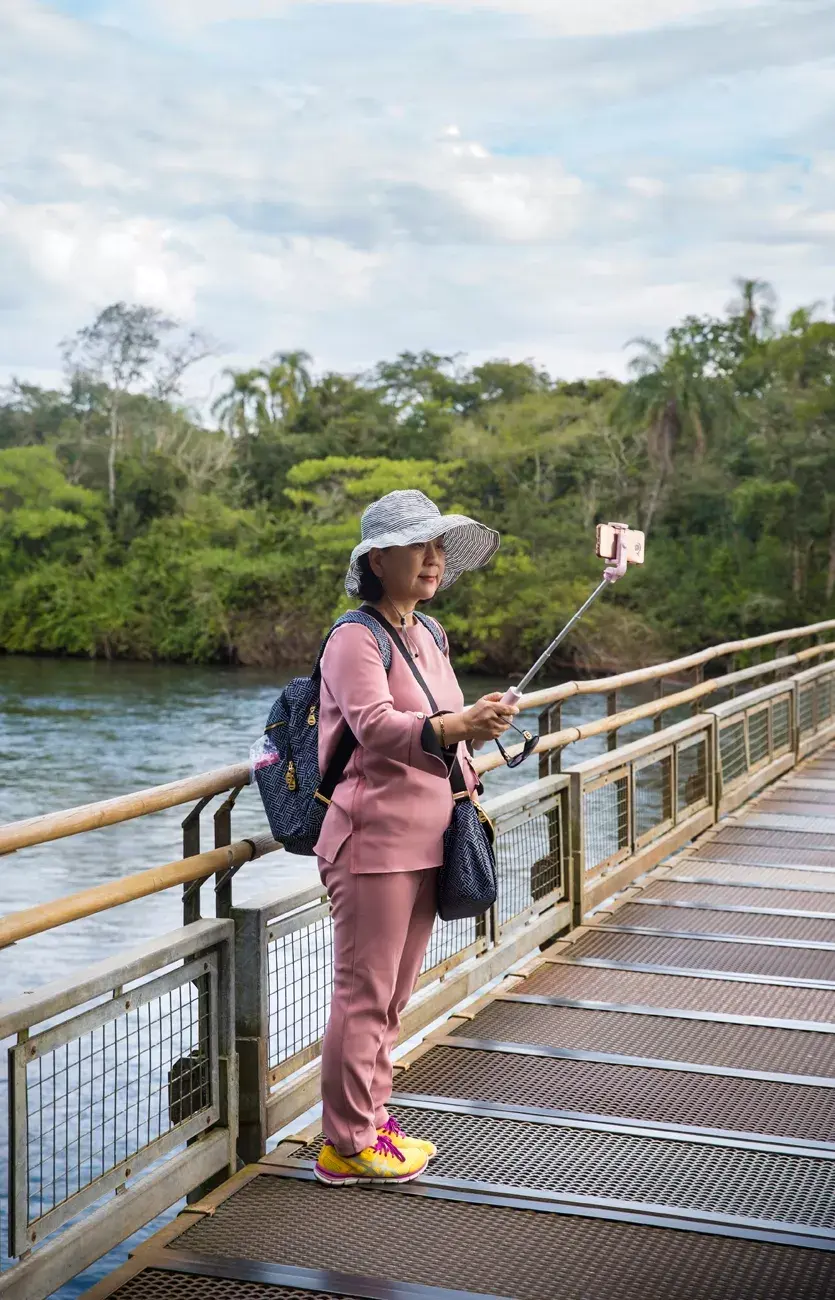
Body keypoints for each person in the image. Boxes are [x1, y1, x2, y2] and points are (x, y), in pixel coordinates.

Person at [313, 488, 518, 1186]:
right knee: (363, 993)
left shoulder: (427, 633)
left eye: (438, 547)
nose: (433, 559)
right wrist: (462, 726)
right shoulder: (353, 637)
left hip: (430, 834)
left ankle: (372, 1121)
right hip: (371, 840)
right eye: (418, 546)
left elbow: (442, 718)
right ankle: (344, 1145)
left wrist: (477, 720)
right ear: (377, 559)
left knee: (394, 994)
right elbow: (375, 727)